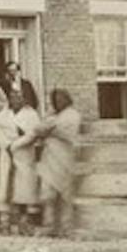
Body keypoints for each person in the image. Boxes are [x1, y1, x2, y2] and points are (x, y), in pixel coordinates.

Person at [30, 88, 83, 237]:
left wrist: (50, 130)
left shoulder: (73, 115)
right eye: (56, 100)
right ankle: (49, 225)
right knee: (47, 194)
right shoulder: (53, 116)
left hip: (64, 159)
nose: (58, 102)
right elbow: (38, 129)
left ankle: (66, 228)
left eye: (61, 99)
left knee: (65, 195)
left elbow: (66, 133)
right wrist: (49, 128)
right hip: (50, 159)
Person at [0, 88, 42, 234]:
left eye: (18, 96)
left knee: (24, 188)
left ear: (24, 98)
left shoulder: (32, 115)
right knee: (6, 186)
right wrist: (6, 145)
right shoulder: (3, 115)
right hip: (6, 155)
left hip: (24, 155)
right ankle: (5, 222)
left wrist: (15, 144)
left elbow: (32, 134)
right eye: (12, 96)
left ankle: (25, 222)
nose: (15, 99)